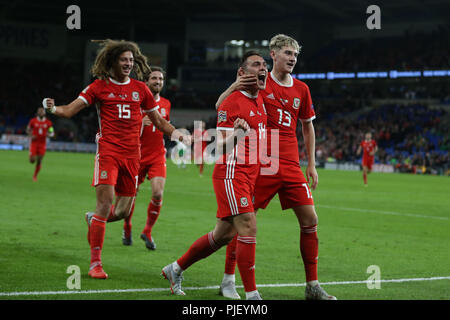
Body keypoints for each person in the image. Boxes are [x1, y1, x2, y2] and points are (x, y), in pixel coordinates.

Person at [42, 39, 190, 279]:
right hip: (108, 152)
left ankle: (94, 219)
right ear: (112, 61)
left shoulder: (141, 89)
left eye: (131, 60)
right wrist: (52, 109)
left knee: (121, 211)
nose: (128, 64)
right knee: (105, 201)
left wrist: (178, 134)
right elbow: (69, 110)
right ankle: (95, 263)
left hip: (133, 156)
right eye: (123, 60)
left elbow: (159, 122)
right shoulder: (98, 87)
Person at [215, 34, 336, 300]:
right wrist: (234, 85)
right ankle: (228, 279)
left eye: (295, 55)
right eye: (288, 53)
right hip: (263, 163)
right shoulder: (259, 80)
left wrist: (312, 164)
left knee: (310, 219)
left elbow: (308, 126)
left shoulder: (302, 89)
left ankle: (312, 286)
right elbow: (221, 104)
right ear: (273, 54)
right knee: (241, 223)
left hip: (291, 164)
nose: (292, 59)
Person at [161, 51, 268, 300]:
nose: (263, 68)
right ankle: (253, 296)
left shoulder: (260, 98)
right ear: (242, 73)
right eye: (256, 65)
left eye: (265, 65)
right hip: (232, 173)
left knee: (223, 235)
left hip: (250, 175)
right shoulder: (232, 103)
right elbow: (217, 148)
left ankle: (175, 269)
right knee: (249, 227)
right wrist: (236, 136)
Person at [122, 66, 171, 250]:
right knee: (130, 197)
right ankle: (127, 226)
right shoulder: (136, 103)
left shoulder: (166, 104)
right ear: (146, 82)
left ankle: (148, 231)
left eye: (160, 79)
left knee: (158, 193)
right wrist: (139, 123)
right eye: (154, 79)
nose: (158, 82)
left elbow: (164, 125)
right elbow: (125, 129)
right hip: (137, 156)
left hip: (157, 155)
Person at [26, 107, 54, 181]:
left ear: (44, 113)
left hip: (42, 144)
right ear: (37, 113)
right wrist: (31, 136)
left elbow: (52, 133)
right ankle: (31, 155)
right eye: (40, 112)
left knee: (39, 160)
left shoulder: (48, 123)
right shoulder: (33, 121)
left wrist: (49, 135)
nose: (41, 113)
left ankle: (35, 176)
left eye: (42, 112)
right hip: (34, 143)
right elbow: (28, 130)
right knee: (32, 161)